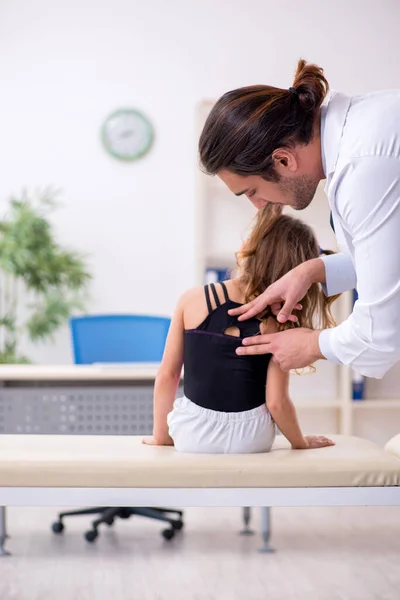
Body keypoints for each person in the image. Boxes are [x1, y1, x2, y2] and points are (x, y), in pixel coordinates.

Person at [199, 59, 400, 379]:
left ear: (283, 159)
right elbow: (391, 260)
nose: (258, 205)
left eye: (251, 191)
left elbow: (380, 334)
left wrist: (311, 344)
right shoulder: (359, 132)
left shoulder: (363, 167)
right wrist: (312, 271)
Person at [143, 205, 336, 453]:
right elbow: (276, 403)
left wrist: (161, 437)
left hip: (193, 432)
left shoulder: (190, 300)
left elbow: (167, 376)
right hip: (253, 436)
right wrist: (300, 442)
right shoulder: (280, 319)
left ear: (247, 249)